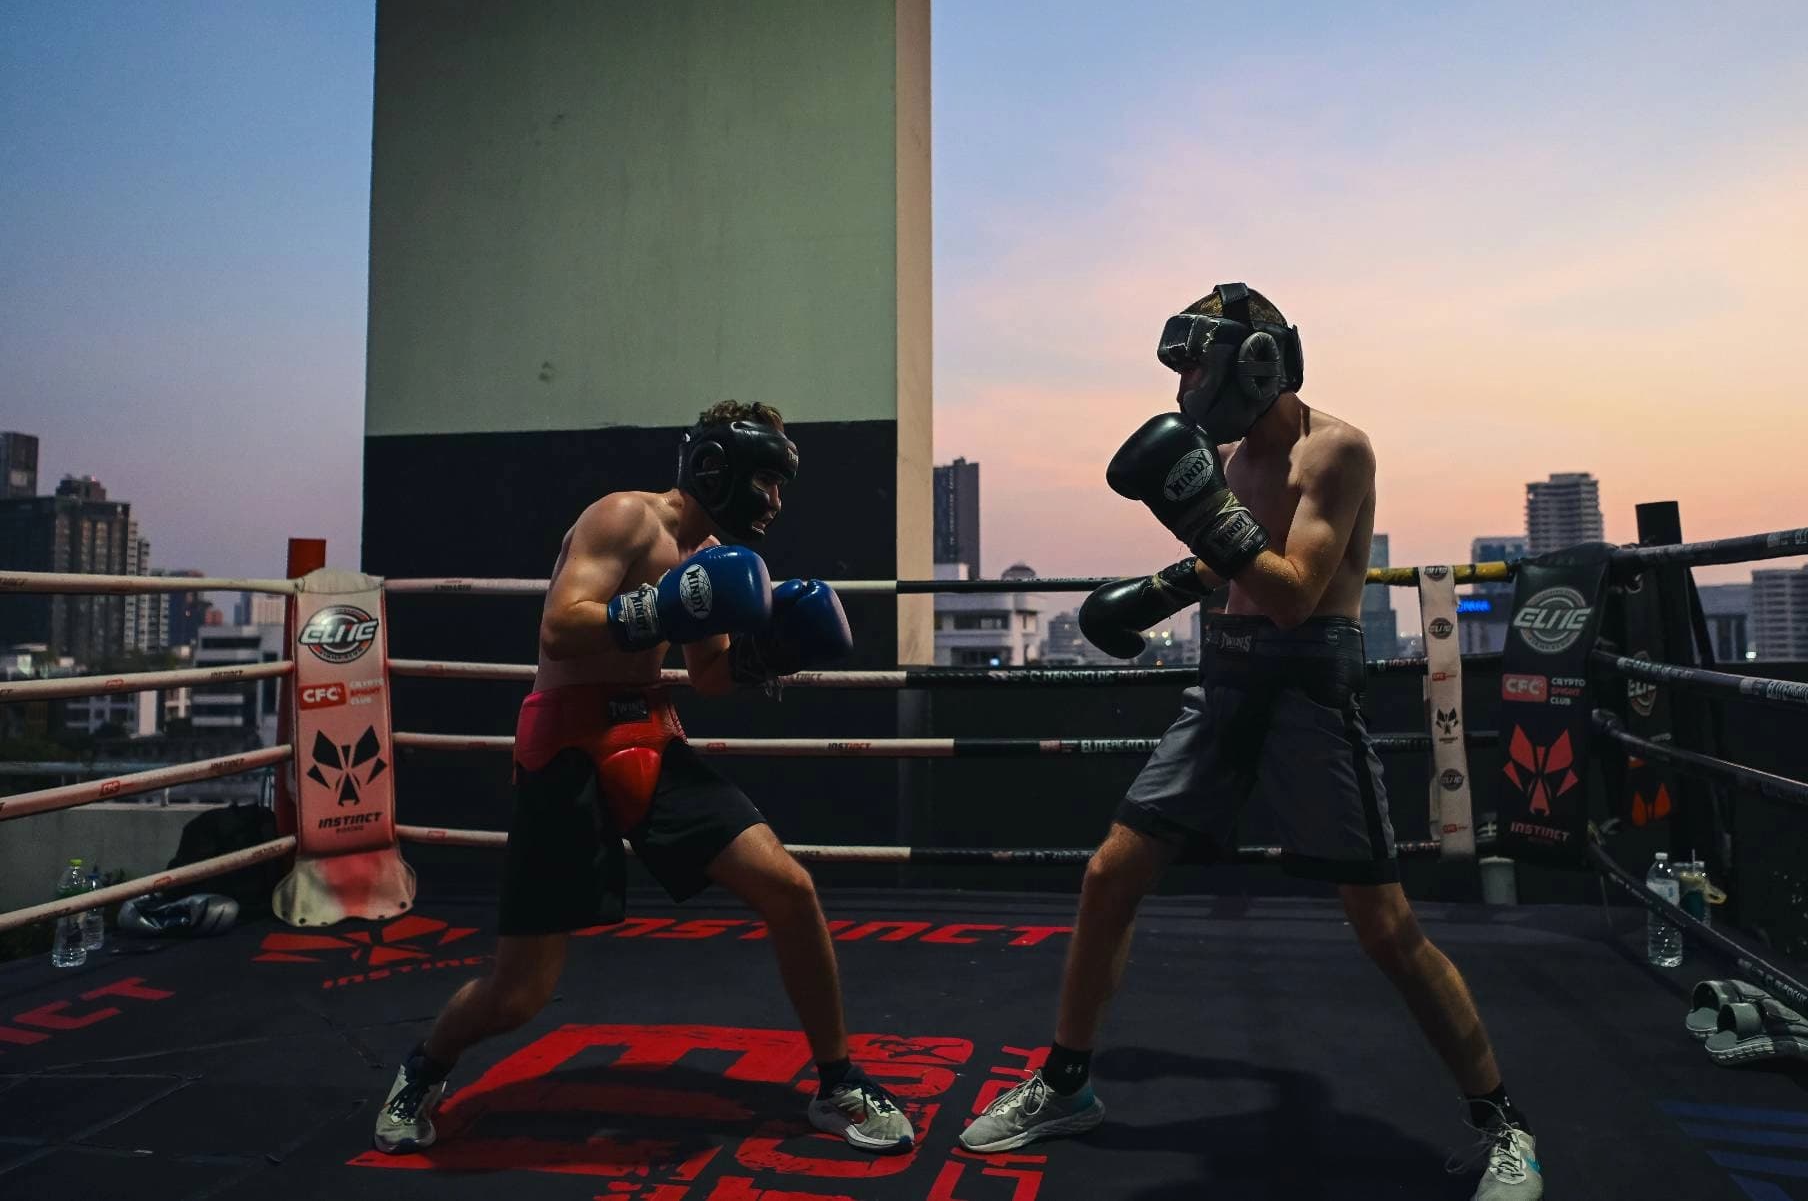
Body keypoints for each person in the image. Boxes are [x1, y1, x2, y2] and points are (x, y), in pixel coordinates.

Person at [956, 287, 1543, 1199]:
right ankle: (1067, 1085)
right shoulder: (1225, 458)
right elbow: (1224, 563)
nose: (1187, 385)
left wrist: (1199, 518)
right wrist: (1146, 597)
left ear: (1255, 362)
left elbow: (1295, 590)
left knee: (1384, 927)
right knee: (1112, 873)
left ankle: (1502, 1124)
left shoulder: (1336, 450)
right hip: (1225, 686)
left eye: (1197, 364)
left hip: (1309, 687)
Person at [374, 399, 914, 1156]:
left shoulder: (719, 559)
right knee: (520, 991)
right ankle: (423, 1068)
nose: (775, 500)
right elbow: (560, 625)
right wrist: (662, 605)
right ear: (717, 465)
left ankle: (838, 1082)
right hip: (565, 741)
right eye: (765, 478)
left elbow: (711, 675)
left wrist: (772, 653)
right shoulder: (624, 517)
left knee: (789, 888)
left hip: (650, 734)